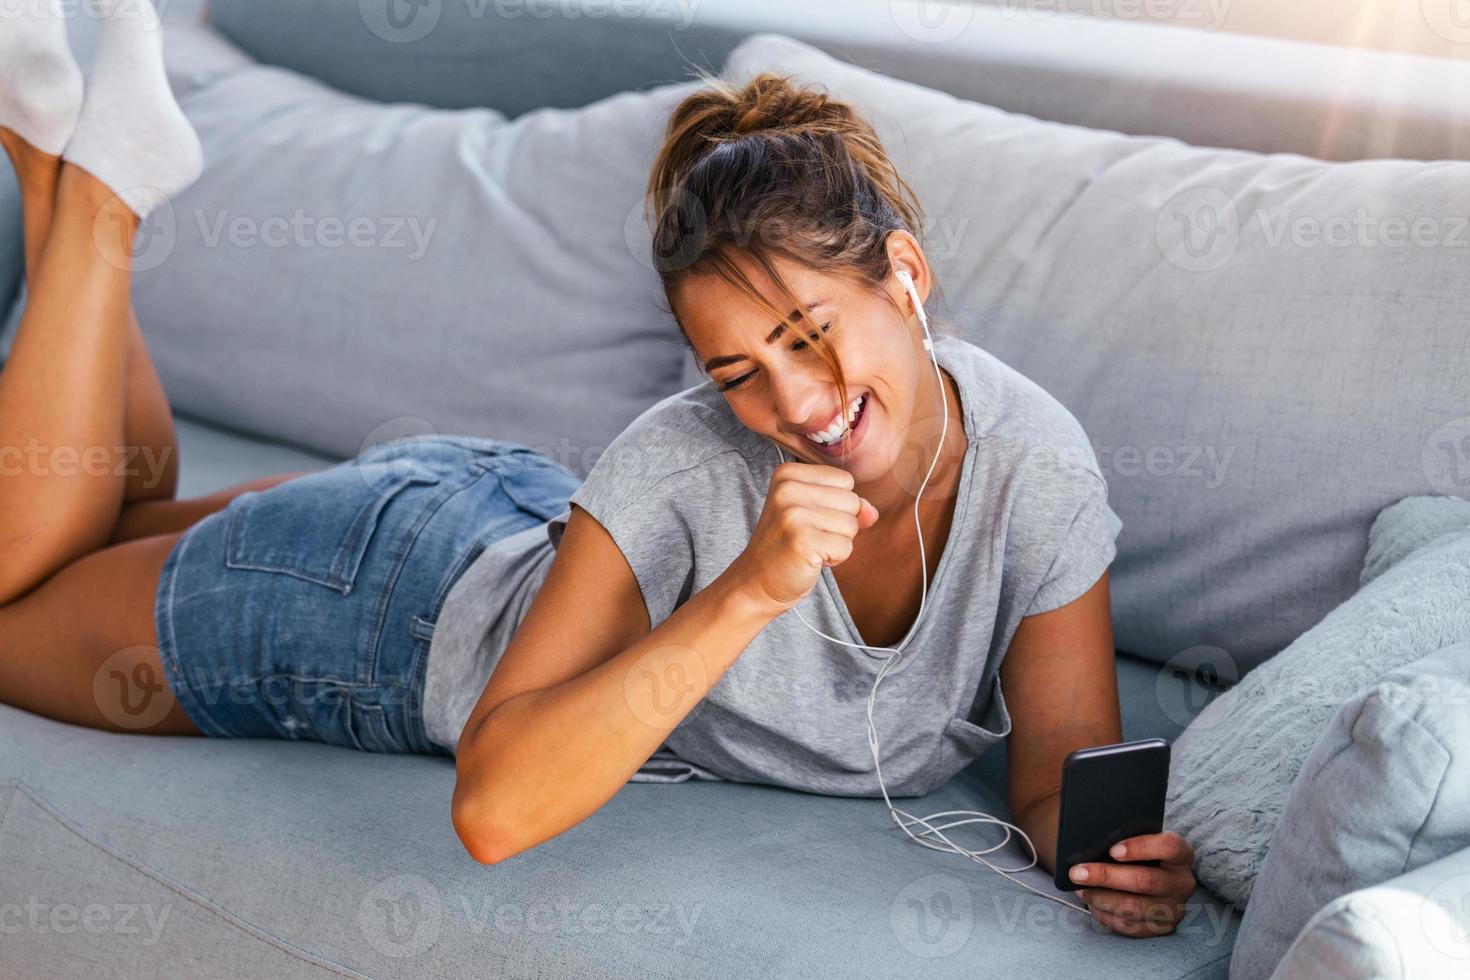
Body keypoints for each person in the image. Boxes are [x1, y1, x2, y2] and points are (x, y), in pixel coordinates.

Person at [0, 0, 1198, 937]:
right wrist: (749, 589)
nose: (793, 405)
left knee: (119, 509)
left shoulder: (1033, 467)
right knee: (12, 588)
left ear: (906, 273)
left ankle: (54, 163)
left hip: (483, 516)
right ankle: (98, 204)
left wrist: (1112, 866)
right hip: (375, 606)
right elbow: (495, 806)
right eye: (736, 375)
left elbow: (1055, 782)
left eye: (808, 334)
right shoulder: (683, 461)